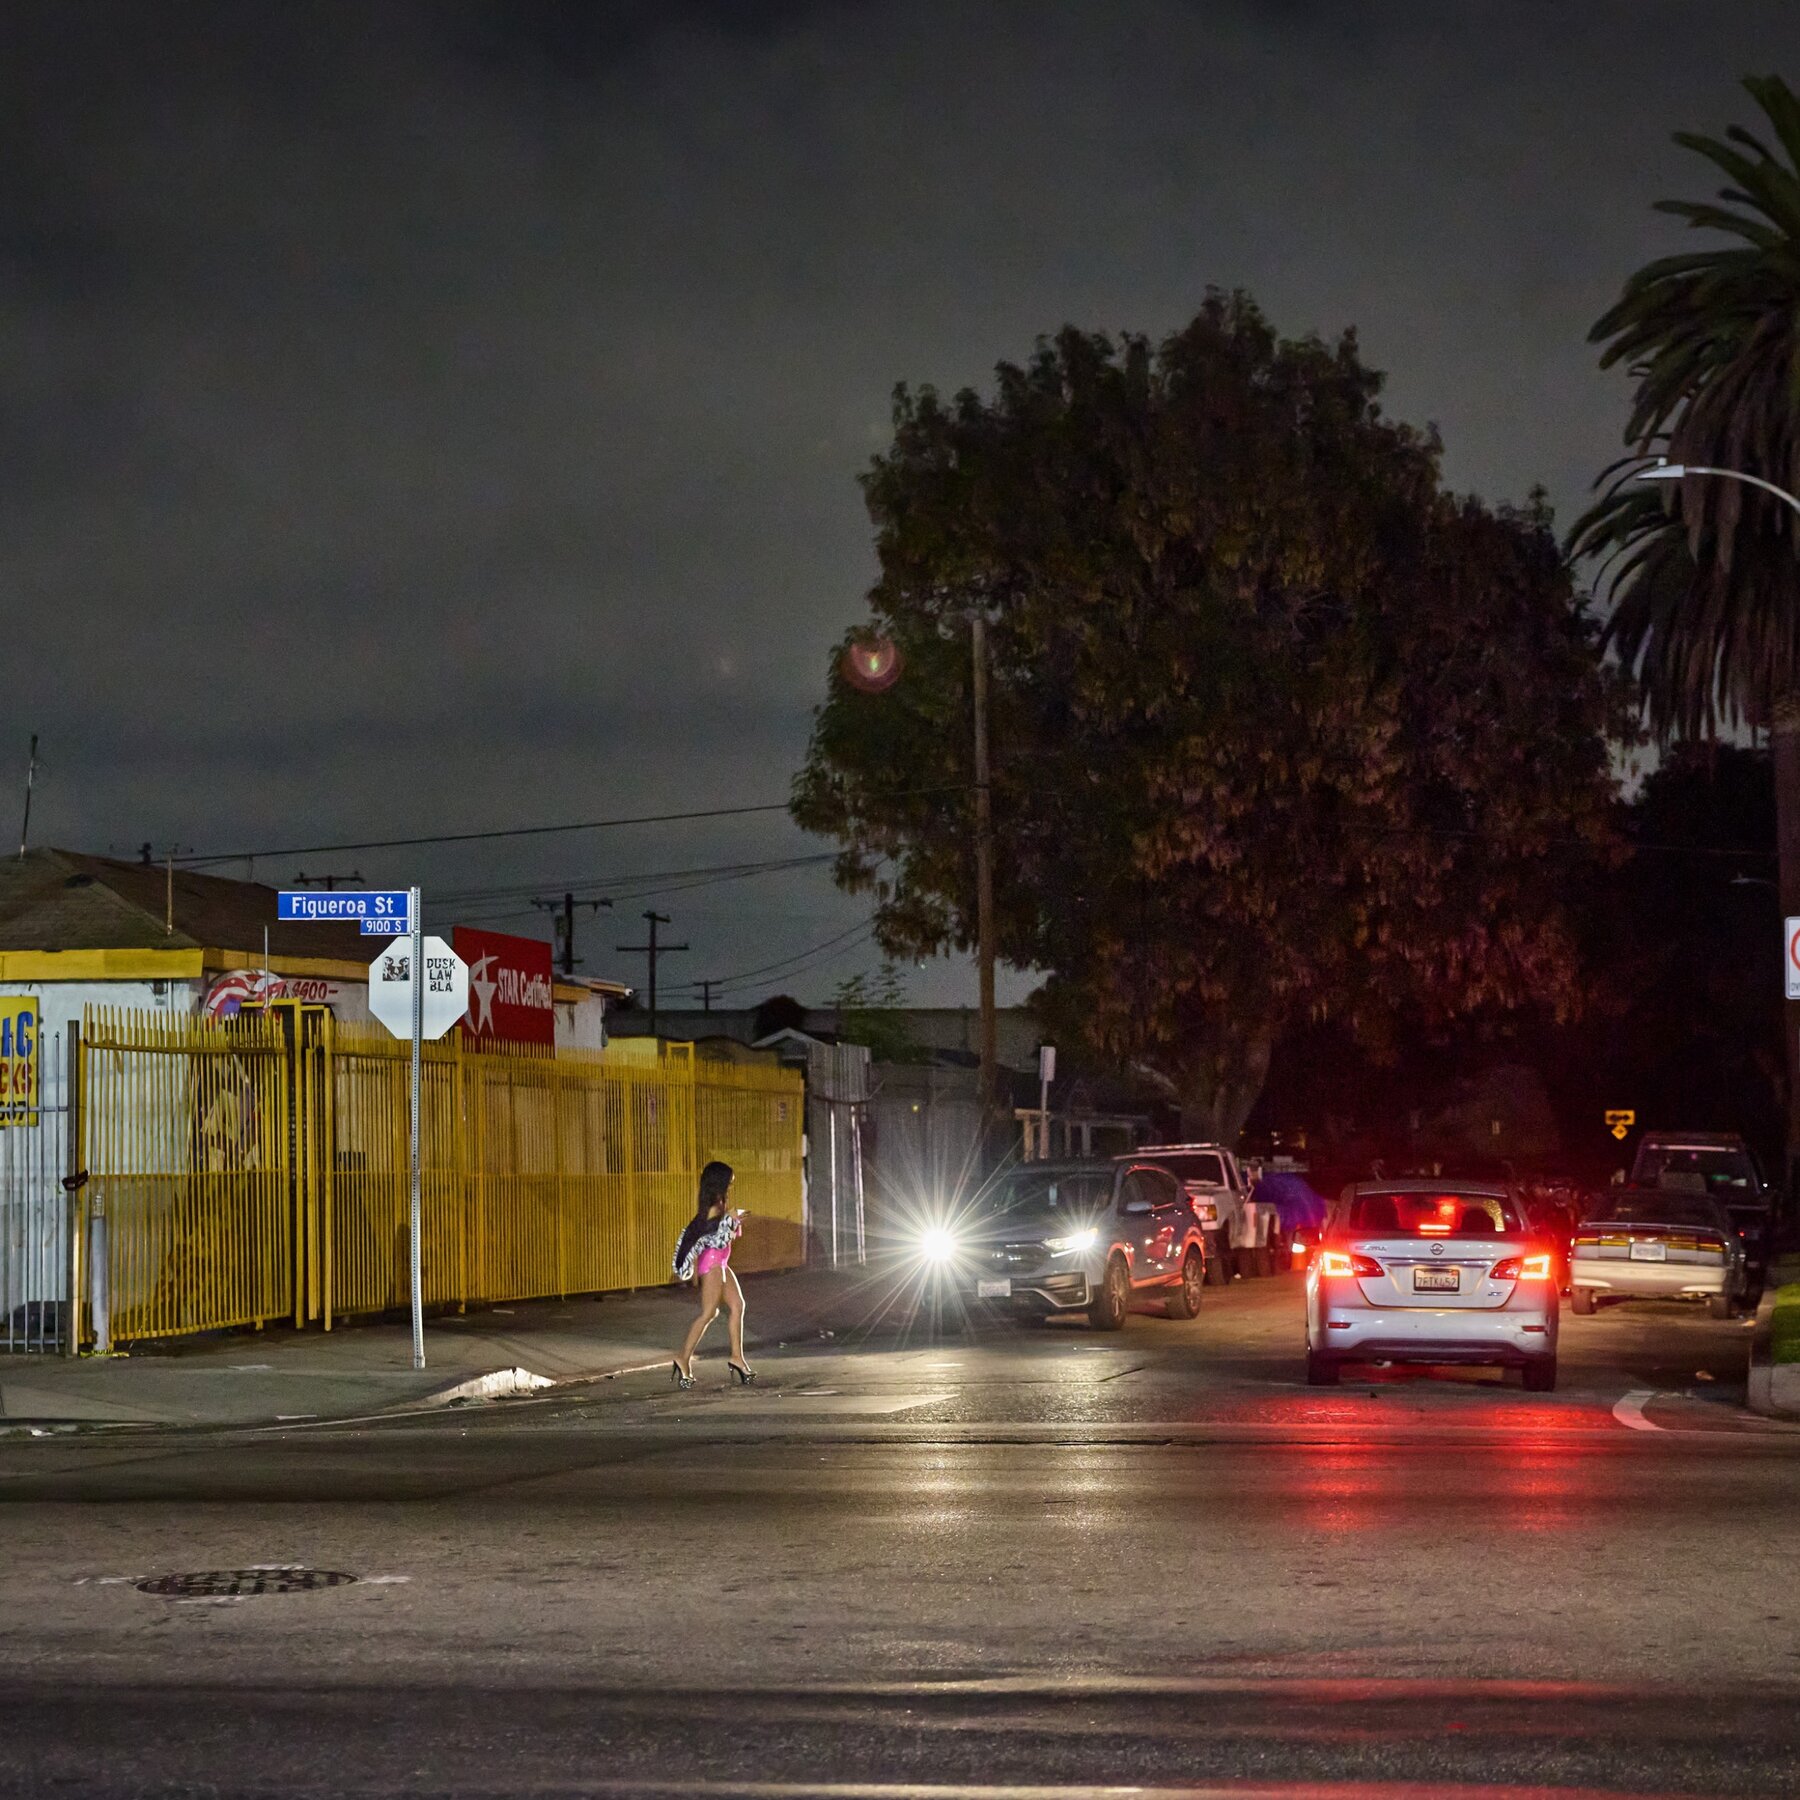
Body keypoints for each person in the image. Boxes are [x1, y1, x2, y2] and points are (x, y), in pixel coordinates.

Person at [671, 1160, 753, 1389]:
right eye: (729, 1179)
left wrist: (732, 1220)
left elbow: (720, 1233)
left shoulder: (717, 1204)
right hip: (713, 1263)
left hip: (722, 1262)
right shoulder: (714, 1208)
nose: (732, 1182)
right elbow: (713, 1239)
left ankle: (737, 1357)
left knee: (737, 1305)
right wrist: (732, 1219)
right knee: (709, 1313)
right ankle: (683, 1358)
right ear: (720, 1181)